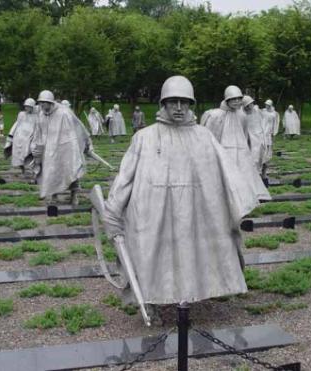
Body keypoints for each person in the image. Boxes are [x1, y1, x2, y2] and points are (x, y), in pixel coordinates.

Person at [103, 76, 259, 309]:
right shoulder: (144, 137)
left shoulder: (203, 136)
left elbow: (228, 175)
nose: (178, 108)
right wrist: (112, 212)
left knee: (194, 254)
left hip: (195, 211)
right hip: (155, 213)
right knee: (152, 257)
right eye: (173, 101)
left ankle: (190, 298)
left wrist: (238, 204)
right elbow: (125, 177)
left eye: (184, 102)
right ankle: (152, 302)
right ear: (163, 104)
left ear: (190, 105)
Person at [201, 85, 270, 200]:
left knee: (243, 175)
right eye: (233, 99)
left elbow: (244, 134)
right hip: (225, 151)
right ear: (227, 100)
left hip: (240, 151)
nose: (237, 102)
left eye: (239, 99)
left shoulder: (242, 115)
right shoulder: (216, 115)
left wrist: (247, 149)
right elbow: (210, 135)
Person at [31, 90, 92, 206]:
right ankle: (54, 195)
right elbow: (38, 133)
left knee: (71, 171)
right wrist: (35, 146)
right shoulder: (41, 116)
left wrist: (86, 142)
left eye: (44, 102)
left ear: (50, 102)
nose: (42, 105)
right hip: (49, 150)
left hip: (66, 147)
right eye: (40, 103)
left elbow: (78, 126)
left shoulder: (64, 113)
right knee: (50, 172)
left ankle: (74, 195)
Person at [5, 98, 38, 175]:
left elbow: (37, 127)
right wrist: (11, 135)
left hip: (29, 138)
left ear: (32, 107)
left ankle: (31, 169)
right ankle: (22, 168)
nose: (27, 108)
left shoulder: (36, 117)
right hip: (19, 137)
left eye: (29, 106)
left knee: (28, 153)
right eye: (26, 106)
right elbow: (16, 124)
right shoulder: (21, 114)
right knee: (18, 155)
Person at [242, 95, 269, 185]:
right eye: (247, 105)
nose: (249, 106)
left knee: (264, 160)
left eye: (251, 104)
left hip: (261, 138)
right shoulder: (243, 115)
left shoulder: (257, 111)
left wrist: (265, 135)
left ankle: (264, 177)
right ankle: (255, 181)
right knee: (254, 160)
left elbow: (264, 122)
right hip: (251, 140)